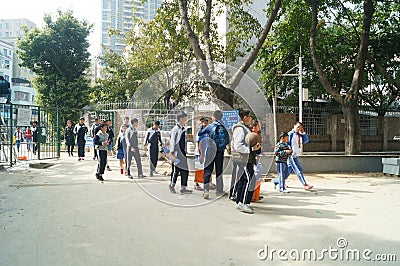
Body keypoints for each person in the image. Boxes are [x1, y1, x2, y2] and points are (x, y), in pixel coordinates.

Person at [231, 109, 260, 214]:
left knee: (244, 179)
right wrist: (251, 149)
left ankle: (240, 201)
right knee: (248, 178)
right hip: (242, 159)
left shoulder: (245, 128)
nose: (251, 118)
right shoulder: (240, 129)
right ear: (245, 117)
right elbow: (237, 145)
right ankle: (242, 203)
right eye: (250, 116)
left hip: (246, 158)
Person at [197, 110, 230, 199]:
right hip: (220, 151)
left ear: (214, 117)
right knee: (219, 171)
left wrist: (201, 126)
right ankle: (219, 191)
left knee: (208, 170)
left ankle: (206, 190)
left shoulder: (210, 126)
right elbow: (228, 140)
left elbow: (200, 133)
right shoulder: (223, 127)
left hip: (210, 150)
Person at [273, 122, 313, 191]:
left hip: (294, 155)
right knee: (298, 169)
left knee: (288, 171)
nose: (298, 128)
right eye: (297, 127)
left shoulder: (299, 135)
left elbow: (305, 141)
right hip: (291, 155)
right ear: (294, 126)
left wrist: (303, 133)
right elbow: (286, 143)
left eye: (300, 127)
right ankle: (304, 184)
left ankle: (277, 181)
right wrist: (288, 151)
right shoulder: (291, 133)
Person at [168, 112, 192, 194]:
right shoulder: (175, 129)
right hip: (177, 151)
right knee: (176, 170)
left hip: (182, 151)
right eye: (185, 118)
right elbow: (172, 142)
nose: (186, 119)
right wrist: (172, 154)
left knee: (185, 170)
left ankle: (183, 187)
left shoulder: (183, 128)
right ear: (181, 119)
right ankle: (172, 185)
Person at [249, 120, 263, 202]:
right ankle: (252, 190)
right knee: (257, 172)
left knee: (257, 172)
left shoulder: (257, 134)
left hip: (257, 154)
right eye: (258, 125)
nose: (259, 127)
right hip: (254, 156)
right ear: (254, 126)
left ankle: (254, 191)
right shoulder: (253, 134)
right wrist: (255, 155)